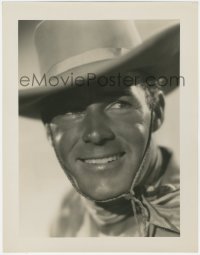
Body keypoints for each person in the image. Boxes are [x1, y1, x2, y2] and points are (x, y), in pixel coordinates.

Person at [19, 20, 180, 237]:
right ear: (49, 132)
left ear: (157, 111)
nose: (95, 133)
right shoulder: (69, 213)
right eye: (69, 111)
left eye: (119, 104)